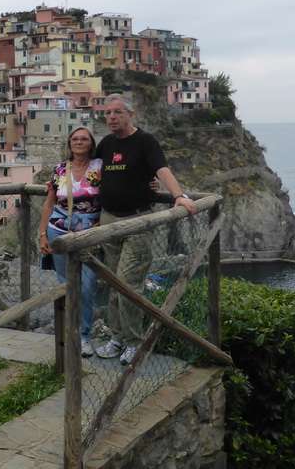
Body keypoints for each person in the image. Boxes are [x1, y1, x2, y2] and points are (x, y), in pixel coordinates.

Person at [93, 93, 197, 365]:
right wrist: (59, 183)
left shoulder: (145, 141)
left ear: (130, 114)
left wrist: (178, 195)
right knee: (113, 283)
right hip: (108, 221)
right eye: (107, 113)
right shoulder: (105, 144)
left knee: (128, 284)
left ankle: (132, 342)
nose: (112, 117)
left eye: (117, 112)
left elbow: (162, 170)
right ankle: (117, 338)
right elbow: (90, 171)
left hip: (138, 221)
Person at [39, 126, 102, 356]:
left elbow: (120, 187)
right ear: (69, 143)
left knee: (87, 286)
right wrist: (43, 234)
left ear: (91, 142)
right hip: (58, 231)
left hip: (90, 233)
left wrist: (150, 186)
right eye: (75, 138)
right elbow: (49, 203)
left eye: (84, 138)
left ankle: (84, 336)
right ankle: (68, 334)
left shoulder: (100, 167)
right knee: (65, 285)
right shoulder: (60, 169)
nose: (79, 142)